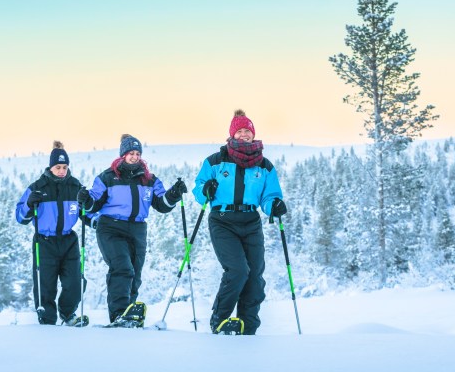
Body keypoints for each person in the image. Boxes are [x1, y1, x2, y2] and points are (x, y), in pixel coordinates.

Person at [192, 110, 287, 335]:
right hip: (223, 220)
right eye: (240, 131)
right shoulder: (216, 160)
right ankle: (220, 320)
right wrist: (205, 189)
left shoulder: (264, 165)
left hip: (251, 220)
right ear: (232, 134)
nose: (244, 134)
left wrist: (274, 205)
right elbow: (199, 187)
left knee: (254, 274)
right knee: (237, 270)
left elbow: (269, 194)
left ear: (253, 134)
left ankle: (248, 325)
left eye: (248, 131)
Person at [77, 134, 187, 327]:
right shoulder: (107, 177)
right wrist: (86, 200)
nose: (134, 157)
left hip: (137, 229)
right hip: (110, 228)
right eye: (130, 153)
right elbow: (93, 204)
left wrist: (174, 194)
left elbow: (162, 204)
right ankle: (119, 314)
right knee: (122, 268)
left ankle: (130, 315)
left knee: (135, 274)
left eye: (137, 153)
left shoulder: (150, 180)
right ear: (122, 155)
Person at [15, 141, 88, 326]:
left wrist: (89, 206)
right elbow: (21, 217)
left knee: (75, 282)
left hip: (68, 240)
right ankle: (47, 322)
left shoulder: (75, 186)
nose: (62, 170)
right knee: (45, 286)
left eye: (65, 167)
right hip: (44, 242)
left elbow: (87, 213)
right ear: (51, 166)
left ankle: (67, 313)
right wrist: (29, 204)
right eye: (58, 167)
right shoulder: (37, 187)